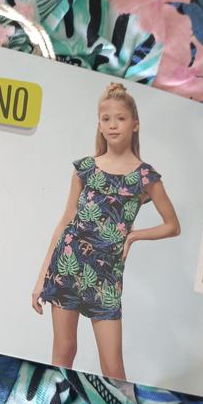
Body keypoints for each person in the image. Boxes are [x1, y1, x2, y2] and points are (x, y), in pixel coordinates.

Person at [31, 81, 180, 380]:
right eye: (106, 119)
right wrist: (41, 279)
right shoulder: (85, 169)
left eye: (120, 118)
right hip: (67, 267)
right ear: (99, 125)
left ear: (135, 124)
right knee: (64, 352)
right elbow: (65, 222)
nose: (113, 125)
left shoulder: (145, 177)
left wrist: (134, 235)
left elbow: (172, 225)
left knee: (113, 368)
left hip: (107, 278)